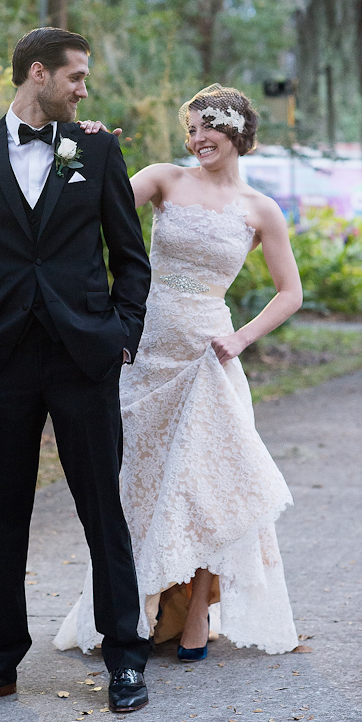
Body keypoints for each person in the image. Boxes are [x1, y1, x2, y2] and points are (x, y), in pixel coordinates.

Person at [0, 27, 151, 714]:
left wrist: (121, 335)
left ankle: (125, 658)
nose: (84, 89)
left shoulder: (95, 148)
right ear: (38, 74)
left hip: (83, 354)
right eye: (76, 77)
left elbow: (130, 257)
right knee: (2, 513)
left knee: (100, 510)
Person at [54, 83, 302, 660]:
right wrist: (82, 151)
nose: (196, 139)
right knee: (138, 485)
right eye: (190, 129)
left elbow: (289, 293)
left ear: (236, 129)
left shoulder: (259, 209)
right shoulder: (165, 178)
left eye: (207, 127)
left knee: (205, 488)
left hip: (206, 359)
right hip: (144, 351)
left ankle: (196, 615)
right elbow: (82, 205)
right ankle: (134, 609)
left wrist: (240, 338)